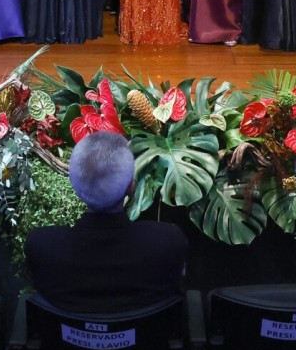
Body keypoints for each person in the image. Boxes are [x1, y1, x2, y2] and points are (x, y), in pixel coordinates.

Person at [24, 132, 187, 314]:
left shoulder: (42, 246)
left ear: (74, 185)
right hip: (149, 333)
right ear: (131, 187)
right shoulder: (166, 243)